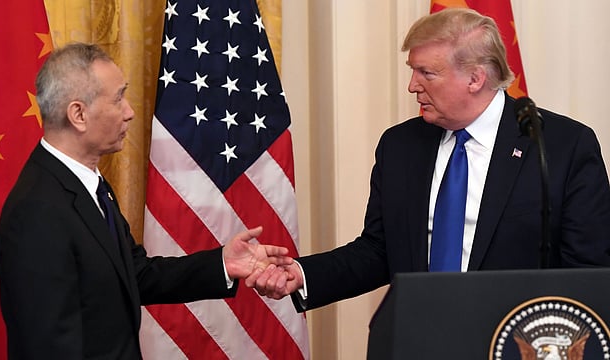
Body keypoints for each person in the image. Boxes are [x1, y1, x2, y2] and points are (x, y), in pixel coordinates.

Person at [247, 7, 610, 311]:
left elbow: (589, 270)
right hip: (418, 338)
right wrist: (302, 274)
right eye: (412, 70)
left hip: (514, 340)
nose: (413, 85)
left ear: (475, 78)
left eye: (427, 73)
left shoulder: (559, 147)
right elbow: (378, 251)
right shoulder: (400, 146)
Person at [0, 42, 293, 359]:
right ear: (79, 114)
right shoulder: (37, 212)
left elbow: (135, 274)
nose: (130, 112)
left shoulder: (85, 184)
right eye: (118, 98)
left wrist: (223, 263)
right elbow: (50, 348)